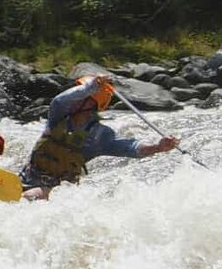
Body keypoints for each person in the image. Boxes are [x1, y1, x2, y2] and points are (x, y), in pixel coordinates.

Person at [20, 74, 180, 200]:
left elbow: (132, 148)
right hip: (26, 179)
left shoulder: (99, 135)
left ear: (92, 105)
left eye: (81, 98)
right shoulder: (59, 116)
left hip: (57, 192)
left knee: (30, 197)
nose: (75, 100)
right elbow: (59, 100)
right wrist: (90, 88)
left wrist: (158, 147)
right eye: (77, 94)